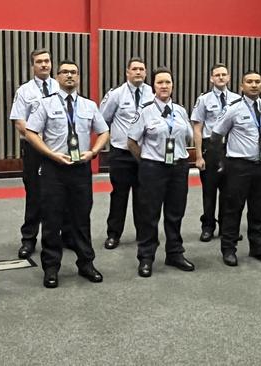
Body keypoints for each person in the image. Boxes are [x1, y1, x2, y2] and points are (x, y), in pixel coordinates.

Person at [25, 60, 109, 288]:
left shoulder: (89, 106)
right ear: (58, 77)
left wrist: (93, 152)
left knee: (81, 218)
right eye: (65, 72)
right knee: (51, 219)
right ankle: (51, 267)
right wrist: (50, 154)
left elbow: (104, 132)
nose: (69, 76)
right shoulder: (45, 104)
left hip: (80, 169)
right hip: (54, 169)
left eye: (74, 72)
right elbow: (31, 132)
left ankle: (86, 263)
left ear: (79, 77)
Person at [127, 67, 195, 277]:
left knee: (175, 213)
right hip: (153, 168)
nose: (164, 86)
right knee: (150, 214)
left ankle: (174, 253)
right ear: (153, 86)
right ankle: (146, 257)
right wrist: (147, 160)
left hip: (178, 168)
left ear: (173, 85)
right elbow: (131, 142)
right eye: (159, 83)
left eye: (167, 82)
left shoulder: (181, 111)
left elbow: (187, 138)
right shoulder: (145, 111)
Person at [211, 70, 261, 267]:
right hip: (239, 166)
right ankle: (229, 249)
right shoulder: (233, 109)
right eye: (249, 82)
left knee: (258, 209)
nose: (254, 85)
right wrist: (223, 161)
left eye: (257, 81)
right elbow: (216, 137)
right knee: (233, 209)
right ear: (241, 86)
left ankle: (258, 247)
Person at [10, 49, 60, 259]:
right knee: (34, 195)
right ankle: (29, 239)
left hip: (57, 148)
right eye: (39, 62)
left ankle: (58, 237)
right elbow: (19, 122)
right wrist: (38, 139)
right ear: (33, 66)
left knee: (59, 194)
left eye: (47, 61)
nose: (44, 65)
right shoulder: (25, 91)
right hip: (34, 149)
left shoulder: (59, 86)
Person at [100, 57, 153, 249]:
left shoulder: (152, 92)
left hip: (144, 154)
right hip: (121, 154)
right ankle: (113, 234)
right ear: (127, 72)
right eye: (135, 69)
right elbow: (102, 119)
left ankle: (143, 234)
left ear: (146, 73)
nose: (138, 72)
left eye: (142, 69)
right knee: (119, 195)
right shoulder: (116, 94)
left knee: (143, 196)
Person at [191, 64, 240, 241]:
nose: (220, 77)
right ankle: (208, 226)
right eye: (217, 75)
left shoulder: (237, 99)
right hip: (210, 148)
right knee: (209, 191)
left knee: (230, 191)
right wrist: (198, 155)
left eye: (223, 74)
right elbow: (197, 128)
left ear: (228, 78)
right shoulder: (204, 100)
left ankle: (227, 228)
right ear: (211, 78)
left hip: (231, 148)